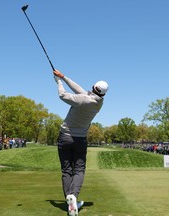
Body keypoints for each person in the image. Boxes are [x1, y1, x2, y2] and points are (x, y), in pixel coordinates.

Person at [53, 69, 108, 216]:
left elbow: (62, 95)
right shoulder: (98, 102)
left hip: (65, 136)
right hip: (80, 139)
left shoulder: (84, 99)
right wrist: (63, 77)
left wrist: (58, 82)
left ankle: (69, 198)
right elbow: (80, 90)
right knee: (79, 169)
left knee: (66, 170)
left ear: (93, 87)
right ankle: (73, 198)